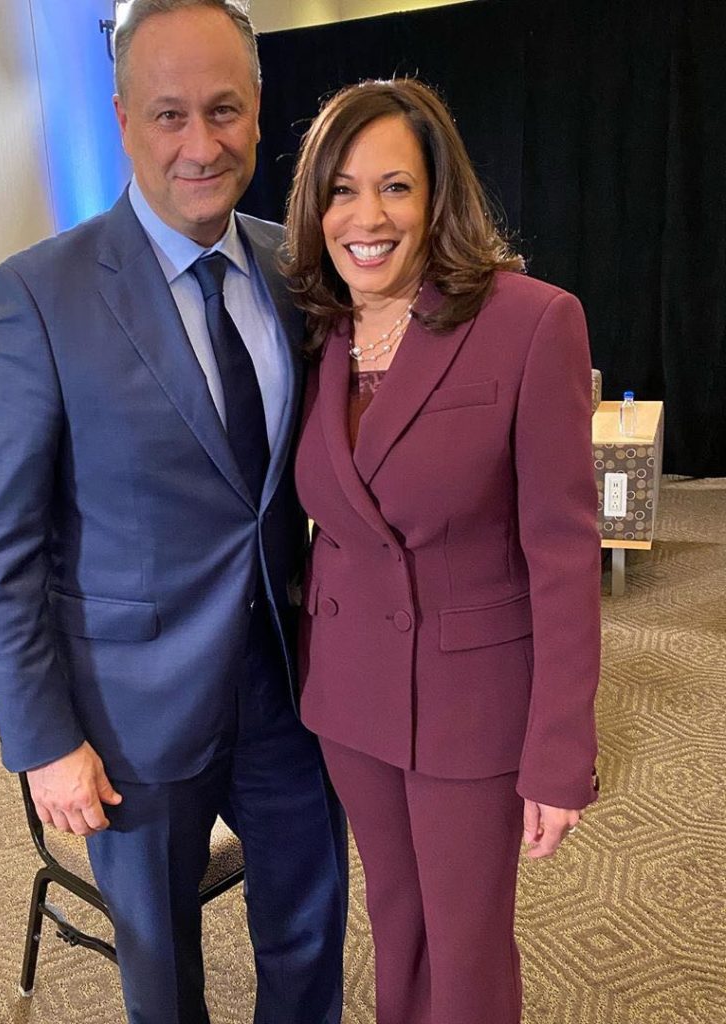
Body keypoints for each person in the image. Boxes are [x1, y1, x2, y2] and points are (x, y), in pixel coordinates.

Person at [0, 2, 348, 1022]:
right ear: (125, 118)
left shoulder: (298, 269)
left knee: (311, 930)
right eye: (170, 114)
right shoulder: (39, 295)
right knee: (163, 979)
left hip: (289, 684)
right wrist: (43, 741)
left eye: (223, 109)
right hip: (129, 715)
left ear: (257, 108)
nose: (200, 144)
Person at [281, 78, 601, 1024]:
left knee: (465, 948)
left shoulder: (530, 320)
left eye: (396, 187)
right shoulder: (321, 330)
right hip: (352, 695)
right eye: (342, 190)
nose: (367, 217)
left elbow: (563, 555)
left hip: (471, 703)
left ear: (437, 196)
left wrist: (560, 750)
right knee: (398, 921)